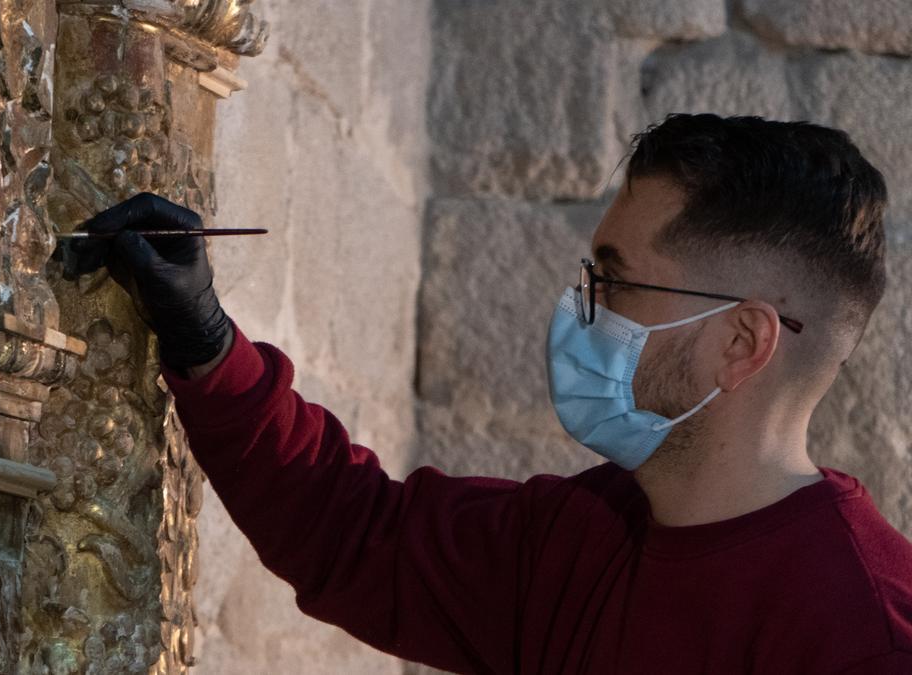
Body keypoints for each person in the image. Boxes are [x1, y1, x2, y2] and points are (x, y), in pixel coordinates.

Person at [64, 113, 912, 674]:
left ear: (741, 342)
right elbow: (356, 533)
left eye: (615, 283)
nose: (582, 308)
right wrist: (205, 338)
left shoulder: (866, 631)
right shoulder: (581, 536)